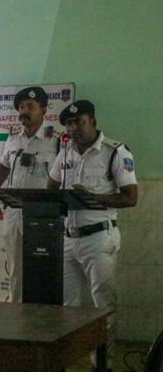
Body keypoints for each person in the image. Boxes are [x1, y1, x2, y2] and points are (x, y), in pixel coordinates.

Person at [47, 99, 137, 371]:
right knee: (67, 307)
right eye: (69, 124)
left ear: (93, 122)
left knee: (103, 307)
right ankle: (67, 361)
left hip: (99, 239)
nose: (74, 128)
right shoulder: (65, 153)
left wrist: (92, 198)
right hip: (68, 238)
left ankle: (102, 365)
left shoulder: (115, 152)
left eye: (79, 122)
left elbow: (130, 197)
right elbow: (50, 188)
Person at [0, 86, 59, 302]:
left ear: (44, 110)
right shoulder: (13, 138)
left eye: (30, 106)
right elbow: (4, 165)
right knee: (15, 266)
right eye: (21, 107)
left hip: (42, 213)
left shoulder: (56, 140)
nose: (24, 111)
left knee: (43, 264)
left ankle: (44, 314)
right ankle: (17, 310)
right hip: (14, 210)